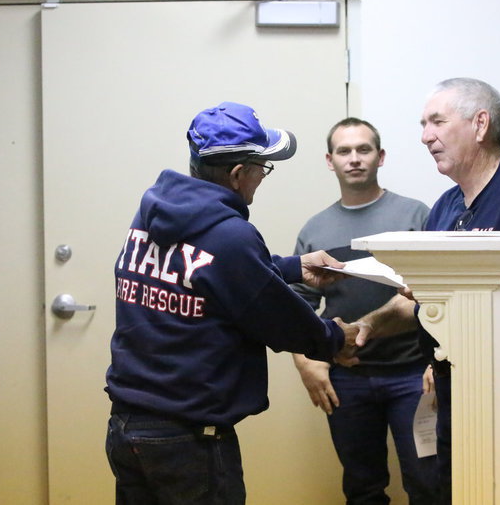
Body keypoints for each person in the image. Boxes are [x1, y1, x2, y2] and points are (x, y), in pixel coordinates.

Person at [104, 101, 368, 505]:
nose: (263, 176)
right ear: (237, 174)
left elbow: (206, 273)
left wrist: (294, 267)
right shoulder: (230, 235)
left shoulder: (155, 212)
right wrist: (335, 338)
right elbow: (277, 317)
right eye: (262, 167)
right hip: (187, 438)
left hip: (128, 424)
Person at [350, 78, 500, 504]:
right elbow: (416, 296)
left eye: (437, 121)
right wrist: (367, 325)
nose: (424, 135)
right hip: (452, 392)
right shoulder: (445, 207)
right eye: (422, 124)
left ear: (480, 124)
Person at [291, 117, 436, 504]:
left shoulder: (416, 217)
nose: (354, 159)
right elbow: (296, 307)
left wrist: (439, 361)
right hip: (348, 381)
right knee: (362, 489)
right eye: (344, 151)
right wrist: (306, 362)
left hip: (413, 374)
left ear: (380, 156)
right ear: (329, 160)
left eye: (363, 149)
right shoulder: (315, 230)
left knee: (428, 485)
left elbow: (439, 295)